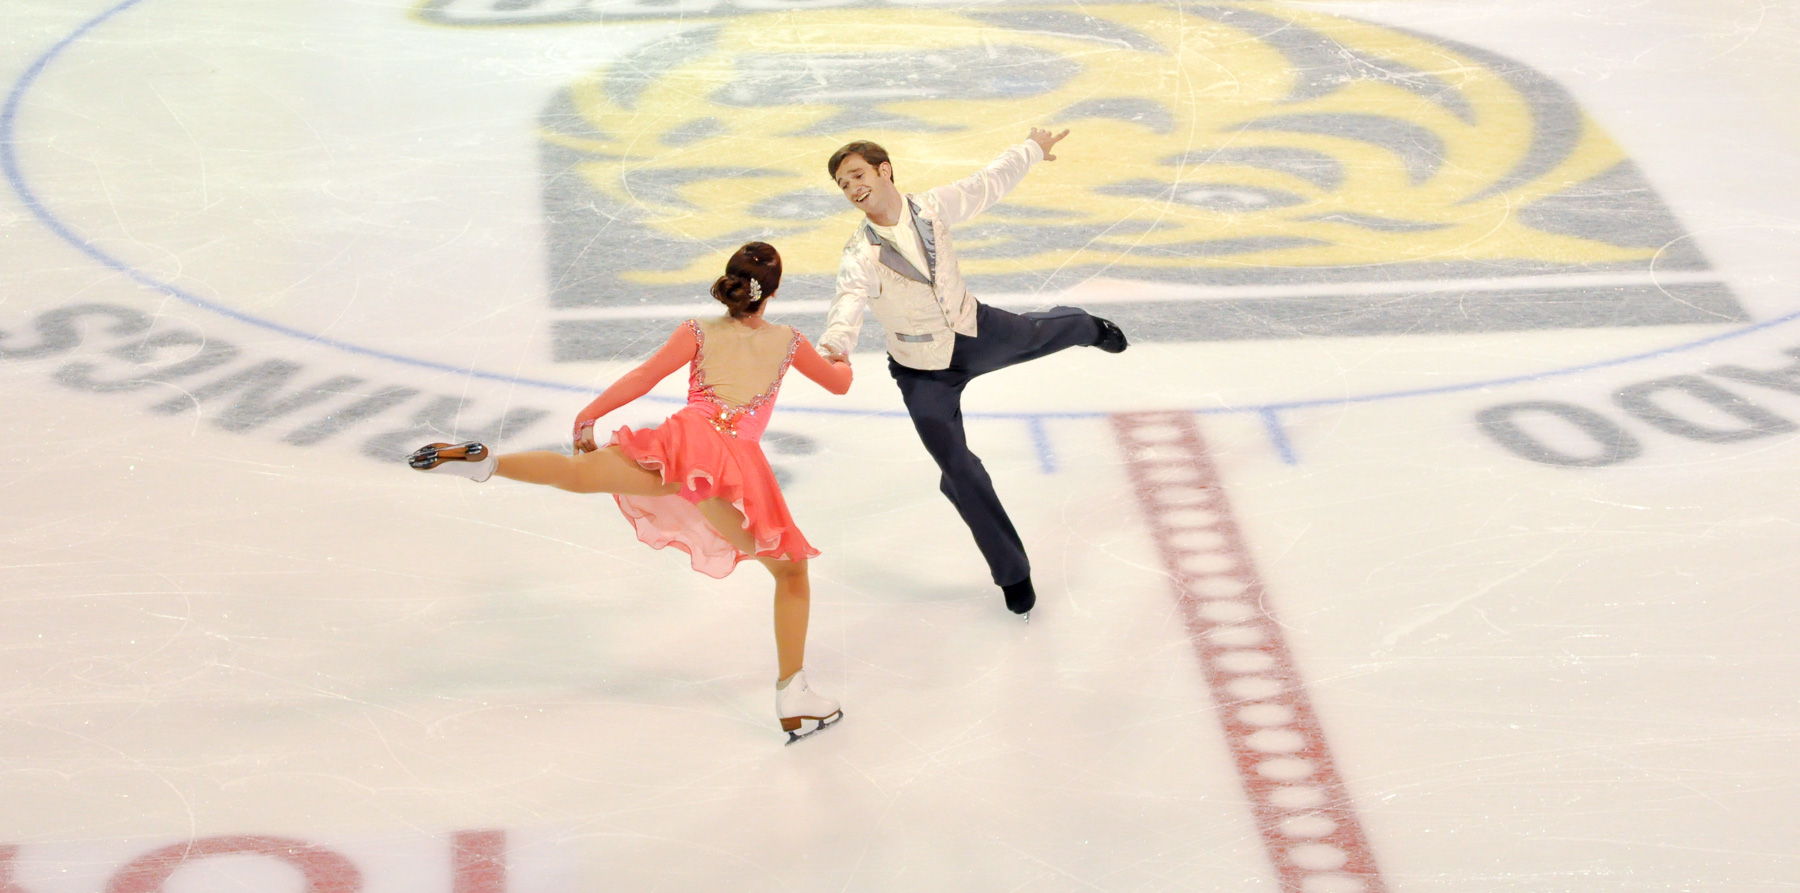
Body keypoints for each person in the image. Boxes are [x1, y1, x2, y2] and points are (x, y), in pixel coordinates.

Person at [409, 242, 853, 744]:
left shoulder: (697, 331)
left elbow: (645, 377)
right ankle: (793, 693)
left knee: (578, 474)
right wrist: (840, 358)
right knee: (790, 572)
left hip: (683, 444)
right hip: (731, 462)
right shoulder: (790, 341)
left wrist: (589, 415)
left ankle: (489, 463)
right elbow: (839, 384)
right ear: (772, 292)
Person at [820, 129, 1128, 618]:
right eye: (843, 184)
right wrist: (834, 348)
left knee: (1038, 333)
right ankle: (1013, 573)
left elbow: (988, 183)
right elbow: (847, 303)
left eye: (857, 175)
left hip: (973, 329)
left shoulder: (932, 208)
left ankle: (1087, 326)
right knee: (960, 471)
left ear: (884, 170)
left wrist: (1032, 149)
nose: (852, 187)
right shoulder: (859, 254)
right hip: (923, 371)